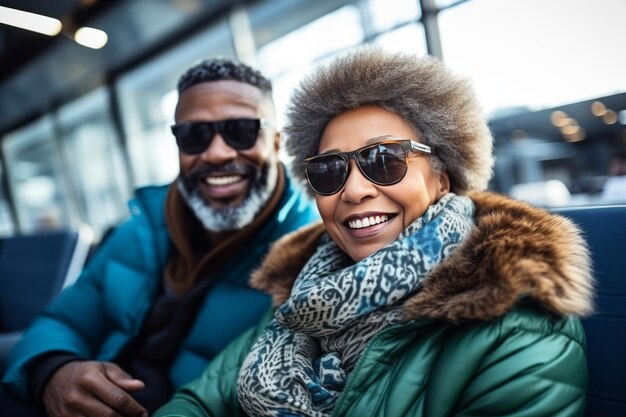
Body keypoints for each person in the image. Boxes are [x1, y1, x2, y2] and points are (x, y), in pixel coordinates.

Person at [154, 46, 594, 417]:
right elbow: (199, 401)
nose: (355, 190)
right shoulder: (302, 290)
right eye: (329, 170)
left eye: (384, 159)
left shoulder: (518, 325)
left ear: (442, 176)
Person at [1, 58, 319, 416]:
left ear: (277, 143)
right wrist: (53, 371)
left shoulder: (307, 253)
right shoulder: (142, 227)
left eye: (242, 130)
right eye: (193, 135)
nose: (216, 153)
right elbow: (64, 320)